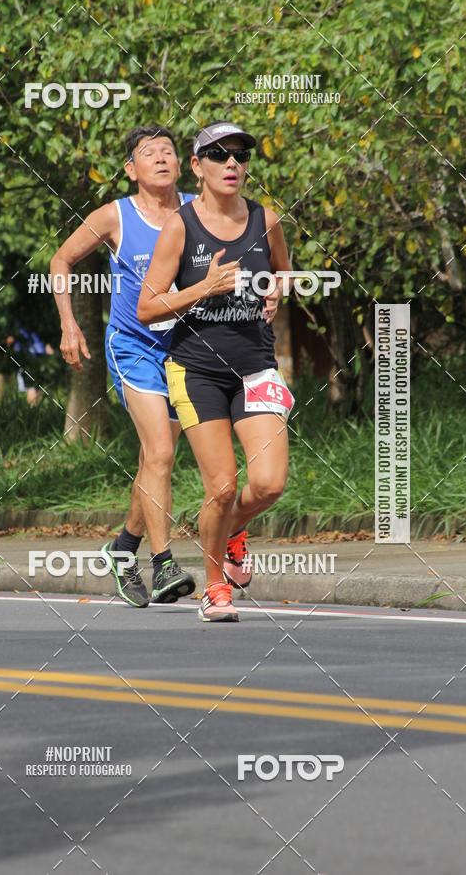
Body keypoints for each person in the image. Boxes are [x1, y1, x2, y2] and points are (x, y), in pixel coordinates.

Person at [138, 121, 294, 623]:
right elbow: (148, 307)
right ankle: (214, 587)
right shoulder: (180, 226)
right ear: (198, 165)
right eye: (220, 155)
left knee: (269, 484)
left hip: (255, 366)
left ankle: (227, 530)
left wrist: (277, 290)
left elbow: (284, 270)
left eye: (241, 156)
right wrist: (203, 288)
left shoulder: (264, 219)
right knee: (222, 486)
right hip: (197, 369)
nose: (233, 164)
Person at [51, 125, 196, 608]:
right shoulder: (115, 215)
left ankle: (122, 548)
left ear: (184, 164)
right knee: (159, 452)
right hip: (132, 345)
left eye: (169, 151)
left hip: (185, 347)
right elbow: (61, 260)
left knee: (155, 460)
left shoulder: (199, 210)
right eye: (148, 153)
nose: (160, 158)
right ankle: (165, 564)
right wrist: (70, 324)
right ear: (131, 170)